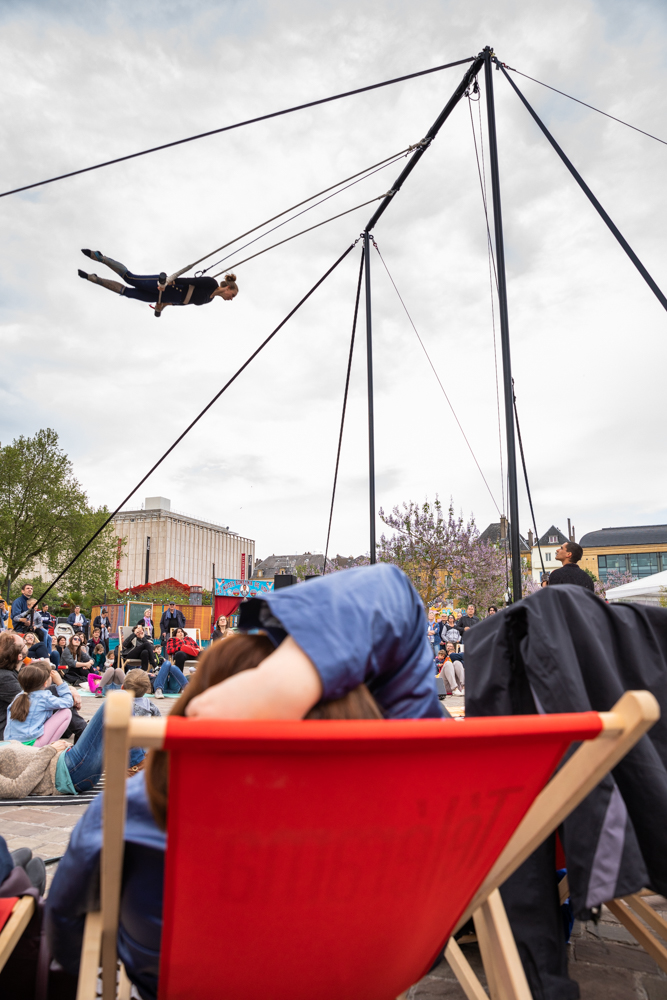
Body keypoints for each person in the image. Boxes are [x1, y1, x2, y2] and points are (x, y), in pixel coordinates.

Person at [77, 250, 239, 317]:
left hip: (163, 296)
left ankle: (95, 279)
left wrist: (163, 305)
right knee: (130, 278)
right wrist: (167, 282)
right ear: (228, 288)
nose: (231, 299)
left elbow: (183, 303)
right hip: (165, 286)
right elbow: (187, 280)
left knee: (127, 292)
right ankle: (101, 258)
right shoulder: (210, 283)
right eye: (232, 295)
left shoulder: (208, 299)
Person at [0, 701, 106, 798]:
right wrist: (49, 750)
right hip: (68, 771)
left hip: (67, 761)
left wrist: (55, 747)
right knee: (112, 703)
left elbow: (28, 757)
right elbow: (16, 790)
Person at [4, 662, 74, 746]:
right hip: (31, 744)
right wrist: (60, 683)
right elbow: (68, 702)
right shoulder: (43, 697)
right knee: (66, 712)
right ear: (45, 683)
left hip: (10, 743)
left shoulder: (19, 696)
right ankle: (48, 748)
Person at [123, 669, 162, 774]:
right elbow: (160, 723)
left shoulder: (122, 704)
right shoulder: (149, 704)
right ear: (146, 690)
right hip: (146, 751)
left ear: (124, 687)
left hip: (125, 752)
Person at [0, 632, 24, 740]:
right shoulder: (5, 678)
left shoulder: (10, 673)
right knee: (65, 712)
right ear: (19, 656)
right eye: (24, 644)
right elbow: (29, 702)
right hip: (6, 739)